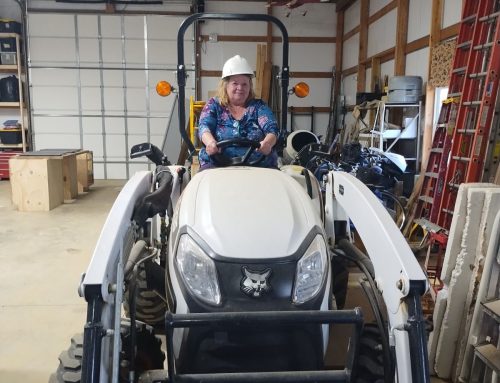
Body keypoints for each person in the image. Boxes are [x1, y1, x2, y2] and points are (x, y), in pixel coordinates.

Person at [197, 55, 279, 170]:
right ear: (226, 85)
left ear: (250, 86)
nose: (240, 88)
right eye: (235, 83)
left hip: (258, 164)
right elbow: (204, 127)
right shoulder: (214, 105)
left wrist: (268, 143)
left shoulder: (259, 106)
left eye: (245, 84)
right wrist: (210, 142)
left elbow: (272, 128)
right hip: (218, 164)